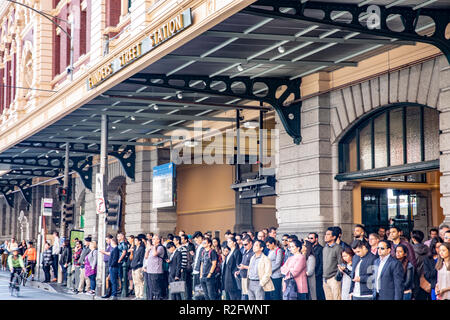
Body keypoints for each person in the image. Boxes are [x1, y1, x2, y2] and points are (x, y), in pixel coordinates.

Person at [322, 227, 343, 300]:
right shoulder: (325, 248)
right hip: (325, 279)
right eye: (325, 234)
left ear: (334, 237)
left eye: (328, 234)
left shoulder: (338, 248)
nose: (325, 236)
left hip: (334, 279)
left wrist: (337, 277)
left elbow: (341, 263)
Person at [145, 234, 166, 300]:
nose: (153, 240)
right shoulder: (152, 248)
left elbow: (155, 254)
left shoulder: (160, 247)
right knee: (151, 288)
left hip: (156, 271)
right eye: (152, 239)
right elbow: (146, 257)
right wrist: (148, 249)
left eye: (154, 239)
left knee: (156, 289)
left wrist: (153, 246)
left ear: (158, 240)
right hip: (150, 270)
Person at [307, 232, 325, 300]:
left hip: (317, 275)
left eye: (311, 238)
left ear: (316, 239)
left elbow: (322, 263)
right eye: (308, 238)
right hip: (311, 275)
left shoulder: (320, 249)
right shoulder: (309, 249)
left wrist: (318, 274)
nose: (309, 240)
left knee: (318, 293)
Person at [130, 234, 146, 300]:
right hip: (133, 266)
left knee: (140, 281)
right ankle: (137, 295)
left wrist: (138, 264)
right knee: (135, 282)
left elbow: (141, 258)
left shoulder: (141, 248)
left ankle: (141, 295)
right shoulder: (134, 248)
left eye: (136, 240)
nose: (135, 242)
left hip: (138, 267)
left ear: (139, 241)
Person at [181, 234, 194, 300]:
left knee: (188, 283)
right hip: (184, 267)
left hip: (189, 267)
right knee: (184, 282)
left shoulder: (191, 246)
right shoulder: (181, 246)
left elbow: (191, 256)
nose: (181, 240)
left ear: (186, 240)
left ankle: (189, 297)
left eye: (182, 239)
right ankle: (186, 296)